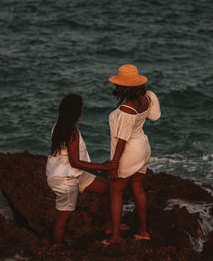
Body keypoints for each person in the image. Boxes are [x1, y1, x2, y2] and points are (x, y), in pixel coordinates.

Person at [46, 93, 117, 246]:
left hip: (72, 174)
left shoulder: (58, 126)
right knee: (62, 221)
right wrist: (103, 167)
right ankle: (56, 250)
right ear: (78, 111)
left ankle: (109, 227)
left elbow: (72, 162)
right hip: (65, 179)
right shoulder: (72, 132)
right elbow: (75, 162)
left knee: (106, 189)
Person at [105, 64, 161, 244]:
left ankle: (115, 237)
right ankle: (143, 231)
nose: (116, 87)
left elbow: (122, 139)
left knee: (116, 191)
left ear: (123, 87)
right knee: (137, 188)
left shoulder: (126, 109)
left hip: (129, 151)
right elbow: (155, 116)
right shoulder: (148, 97)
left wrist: (114, 163)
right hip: (143, 147)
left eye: (118, 85)